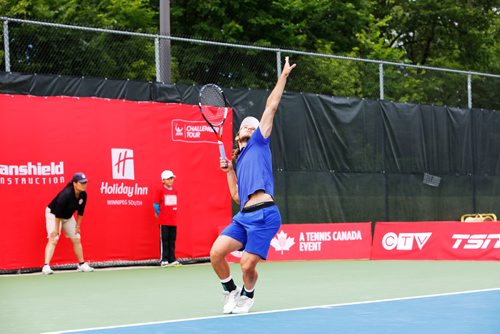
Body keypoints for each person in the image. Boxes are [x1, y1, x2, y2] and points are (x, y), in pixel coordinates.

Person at [210, 56, 296, 314]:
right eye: (245, 124)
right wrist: (228, 172)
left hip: (266, 215)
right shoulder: (239, 161)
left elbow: (271, 106)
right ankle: (230, 290)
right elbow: (237, 196)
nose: (250, 124)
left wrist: (283, 77)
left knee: (247, 264)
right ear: (238, 135)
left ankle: (248, 295)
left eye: (253, 124)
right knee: (216, 253)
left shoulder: (260, 142)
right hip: (244, 216)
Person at [42, 172, 94, 274]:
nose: (84, 185)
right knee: (54, 239)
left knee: (77, 238)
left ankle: (81, 264)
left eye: (85, 182)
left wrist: (77, 226)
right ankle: (46, 266)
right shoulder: (65, 194)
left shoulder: (84, 194)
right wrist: (57, 229)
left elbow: (81, 211)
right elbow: (58, 213)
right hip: (54, 214)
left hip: (68, 217)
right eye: (81, 183)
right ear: (74, 183)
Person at [153, 170, 180, 267]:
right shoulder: (159, 190)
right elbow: (156, 204)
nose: (171, 181)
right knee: (164, 240)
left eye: (172, 178)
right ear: (163, 180)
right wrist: (159, 213)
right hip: (164, 221)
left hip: (173, 221)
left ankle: (172, 259)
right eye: (168, 179)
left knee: (172, 240)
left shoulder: (175, 191)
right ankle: (164, 259)